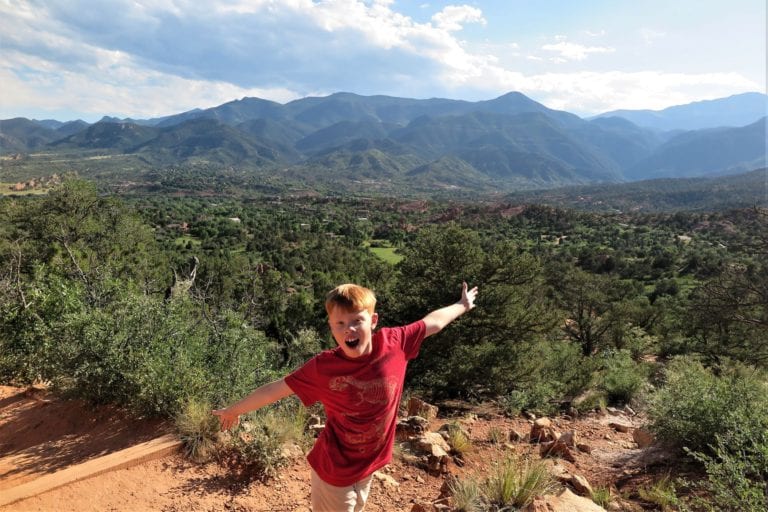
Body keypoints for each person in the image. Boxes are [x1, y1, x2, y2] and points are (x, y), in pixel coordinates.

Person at [212, 281, 479, 512]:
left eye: (356, 321)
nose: (348, 329)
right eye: (340, 323)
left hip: (369, 464)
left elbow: (434, 322)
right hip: (335, 472)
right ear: (331, 328)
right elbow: (276, 389)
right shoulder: (324, 368)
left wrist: (462, 305)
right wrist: (234, 410)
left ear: (373, 321)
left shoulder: (395, 342)